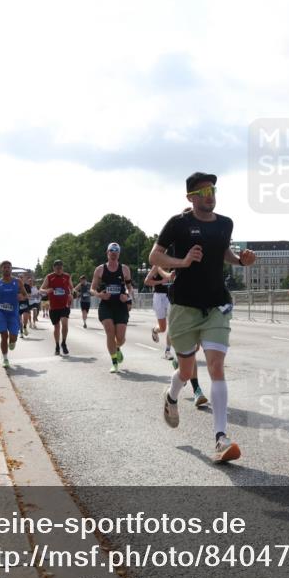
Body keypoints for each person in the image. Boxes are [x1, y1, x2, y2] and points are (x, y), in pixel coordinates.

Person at [149, 172, 256, 462]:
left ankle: (221, 438)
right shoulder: (178, 224)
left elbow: (223, 253)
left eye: (213, 189)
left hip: (216, 305)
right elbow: (155, 257)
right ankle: (171, 396)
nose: (210, 194)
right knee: (185, 371)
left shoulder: (225, 224)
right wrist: (182, 262)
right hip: (184, 306)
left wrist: (240, 260)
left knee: (216, 366)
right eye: (204, 190)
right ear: (191, 197)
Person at [147, 260, 208, 406]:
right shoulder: (158, 265)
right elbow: (148, 280)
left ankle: (179, 362)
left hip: (182, 303)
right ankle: (196, 388)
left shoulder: (182, 263)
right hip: (163, 298)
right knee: (163, 328)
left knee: (192, 347)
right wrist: (163, 279)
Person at [91, 243, 133, 372]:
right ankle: (114, 363)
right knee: (110, 332)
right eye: (111, 250)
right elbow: (92, 289)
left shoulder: (125, 269)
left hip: (120, 306)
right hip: (106, 306)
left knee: (120, 338)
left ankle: (117, 347)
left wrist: (127, 297)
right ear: (107, 253)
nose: (114, 253)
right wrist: (99, 295)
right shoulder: (100, 270)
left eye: (116, 251)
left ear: (119, 253)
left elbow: (130, 288)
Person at [0, 261, 28, 368]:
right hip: (1, 313)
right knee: (4, 335)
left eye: (8, 267)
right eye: (4, 267)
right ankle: (5, 358)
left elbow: (26, 296)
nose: (6, 269)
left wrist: (22, 297)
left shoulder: (18, 282)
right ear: (1, 269)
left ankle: (12, 342)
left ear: (11, 269)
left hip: (14, 314)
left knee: (13, 337)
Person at [41, 260, 73, 355]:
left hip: (64, 305)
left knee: (65, 323)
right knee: (57, 327)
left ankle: (63, 342)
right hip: (54, 307)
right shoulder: (49, 277)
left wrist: (71, 294)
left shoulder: (67, 276)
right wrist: (47, 290)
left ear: (62, 267)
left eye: (60, 267)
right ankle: (57, 345)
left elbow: (72, 288)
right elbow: (41, 289)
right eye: (57, 268)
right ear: (53, 268)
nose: (59, 269)